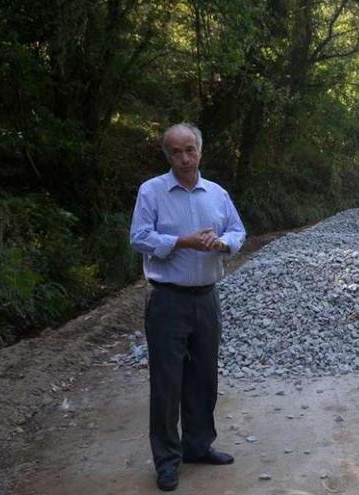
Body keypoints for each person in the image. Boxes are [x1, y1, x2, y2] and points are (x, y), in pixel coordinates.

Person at [129, 123, 246, 491]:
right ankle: (167, 460)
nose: (184, 158)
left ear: (200, 151)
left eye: (189, 150)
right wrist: (183, 242)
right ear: (167, 155)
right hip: (167, 299)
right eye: (175, 152)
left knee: (204, 377)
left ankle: (198, 445)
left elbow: (238, 231)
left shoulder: (217, 193)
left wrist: (222, 243)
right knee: (167, 383)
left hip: (207, 296)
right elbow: (139, 237)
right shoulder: (152, 191)